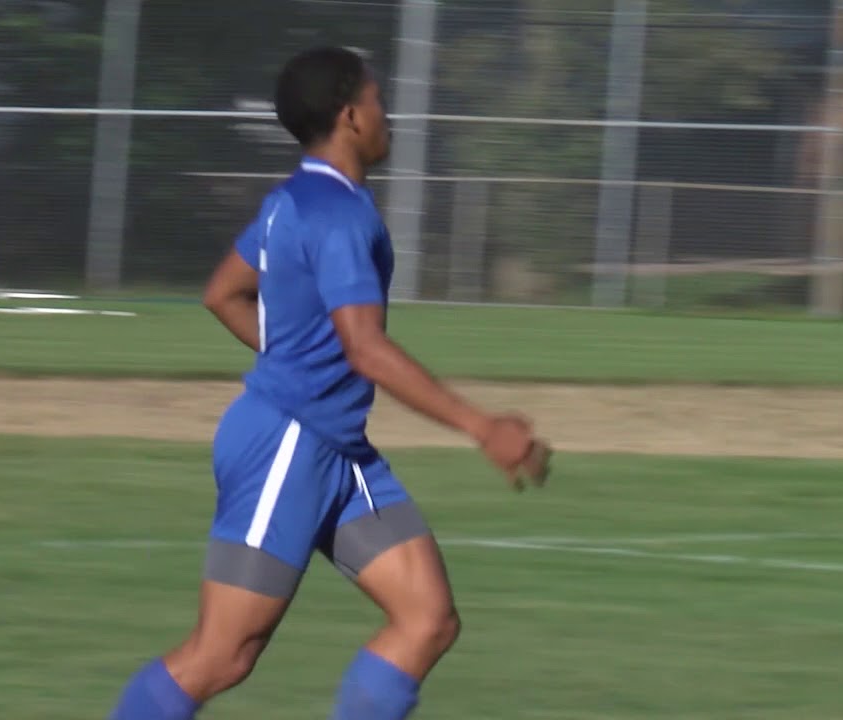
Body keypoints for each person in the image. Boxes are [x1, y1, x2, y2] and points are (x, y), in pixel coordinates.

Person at [108, 45, 551, 720]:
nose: (386, 114)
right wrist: (482, 426)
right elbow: (365, 348)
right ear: (350, 116)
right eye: (377, 100)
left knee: (427, 619)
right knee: (221, 655)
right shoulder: (338, 214)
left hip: (337, 450)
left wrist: (294, 353)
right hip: (286, 444)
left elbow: (223, 294)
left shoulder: (292, 200)